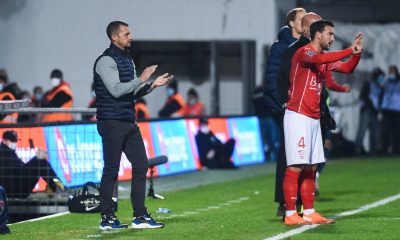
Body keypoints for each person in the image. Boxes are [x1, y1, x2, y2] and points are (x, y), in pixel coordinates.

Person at [94, 21, 173, 230]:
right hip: (111, 122)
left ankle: (139, 216)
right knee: (111, 169)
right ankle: (107, 218)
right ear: (114, 38)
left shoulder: (127, 60)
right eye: (126, 34)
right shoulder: (105, 61)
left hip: (128, 121)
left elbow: (132, 93)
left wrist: (152, 84)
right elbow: (117, 90)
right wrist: (141, 78)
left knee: (141, 165)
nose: (131, 36)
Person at [283, 20, 363, 225]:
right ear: (318, 35)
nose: (332, 38)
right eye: (330, 34)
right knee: (296, 166)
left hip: (313, 118)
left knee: (311, 167)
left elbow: (346, 69)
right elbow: (320, 58)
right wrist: (348, 49)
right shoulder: (305, 53)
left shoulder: (322, 59)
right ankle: (291, 214)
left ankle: (309, 211)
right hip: (298, 116)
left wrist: (356, 55)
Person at [273, 12, 322, 217]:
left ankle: (307, 208)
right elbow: (279, 78)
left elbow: (320, 81)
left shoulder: (314, 50)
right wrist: (284, 102)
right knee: (293, 160)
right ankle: (288, 207)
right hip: (296, 111)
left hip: (314, 113)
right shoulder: (291, 50)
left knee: (310, 163)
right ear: (300, 26)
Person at [0, 130, 65, 198]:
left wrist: (36, 159)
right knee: (39, 162)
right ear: (4, 140)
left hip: (15, 186)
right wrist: (35, 159)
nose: (15, 143)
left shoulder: (9, 152)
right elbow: (20, 171)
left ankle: (56, 185)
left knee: (40, 162)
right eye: (12, 141)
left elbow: (20, 169)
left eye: (15, 141)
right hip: (12, 191)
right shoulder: (4, 153)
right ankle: (57, 185)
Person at [354, 68, 385, 155]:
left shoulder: (380, 87)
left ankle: (373, 151)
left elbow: (381, 99)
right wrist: (364, 106)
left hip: (375, 111)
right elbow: (362, 97)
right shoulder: (368, 84)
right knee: (362, 130)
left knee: (375, 132)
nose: (382, 78)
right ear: (376, 76)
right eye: (381, 76)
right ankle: (357, 150)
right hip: (366, 110)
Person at [380, 65, 400, 155]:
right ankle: (385, 150)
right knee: (385, 131)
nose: (391, 73)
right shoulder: (386, 82)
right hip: (387, 109)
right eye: (390, 71)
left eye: (392, 71)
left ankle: (396, 150)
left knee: (396, 131)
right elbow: (381, 93)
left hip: (397, 110)